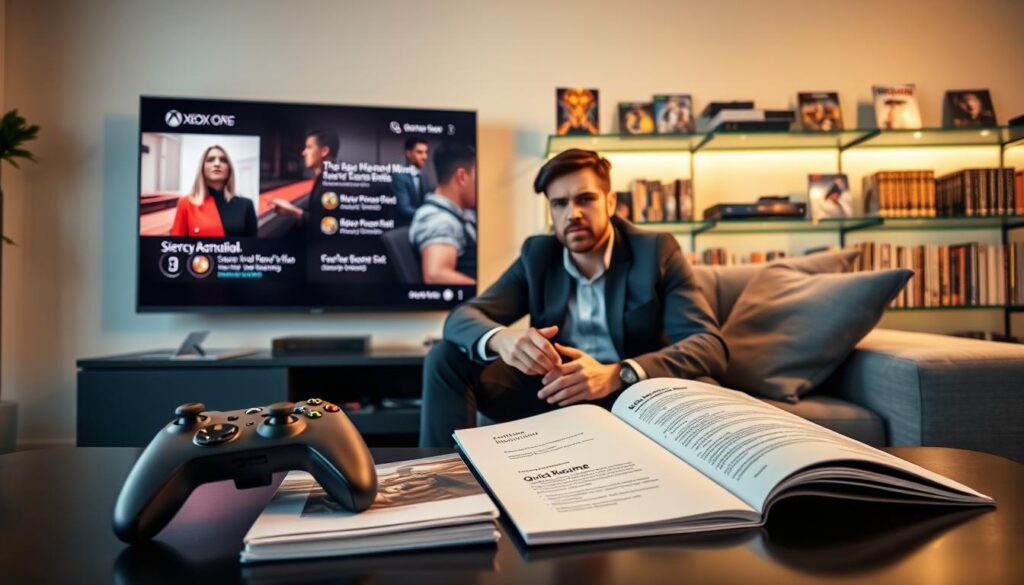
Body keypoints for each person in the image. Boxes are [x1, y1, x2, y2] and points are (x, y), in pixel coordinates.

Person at [419, 148, 728, 447]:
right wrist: (502, 339)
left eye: (585, 199)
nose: (573, 214)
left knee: (705, 388)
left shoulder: (655, 251)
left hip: (633, 397)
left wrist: (618, 373)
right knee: (445, 357)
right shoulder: (538, 255)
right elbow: (462, 317)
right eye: (560, 203)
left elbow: (708, 345)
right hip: (555, 396)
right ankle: (444, 482)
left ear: (610, 202)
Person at [409, 142, 477, 285]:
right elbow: (436, 275)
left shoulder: (463, 213)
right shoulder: (439, 219)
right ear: (462, 177)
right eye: (477, 176)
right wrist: (492, 295)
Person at [170, 145, 257, 237]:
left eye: (223, 160)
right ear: (202, 168)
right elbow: (176, 246)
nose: (217, 164)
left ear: (229, 169)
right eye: (210, 159)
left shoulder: (246, 204)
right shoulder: (186, 203)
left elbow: (253, 247)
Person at [272, 129, 339, 225]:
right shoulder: (325, 178)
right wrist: (290, 208)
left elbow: (328, 225)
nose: (303, 153)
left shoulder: (334, 183)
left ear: (324, 151)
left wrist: (294, 211)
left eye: (309, 147)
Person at [391, 136, 433, 226]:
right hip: (403, 230)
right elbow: (404, 208)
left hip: (421, 228)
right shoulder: (398, 175)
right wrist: (429, 216)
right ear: (408, 153)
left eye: (426, 152)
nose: (424, 156)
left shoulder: (424, 176)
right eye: (420, 152)